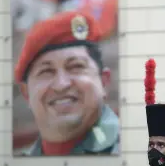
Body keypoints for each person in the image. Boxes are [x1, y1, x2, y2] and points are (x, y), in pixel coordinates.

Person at [14, 11, 120, 156]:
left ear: (103, 81)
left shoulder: (134, 151)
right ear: (26, 93)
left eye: (76, 67)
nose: (61, 84)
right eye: (46, 71)